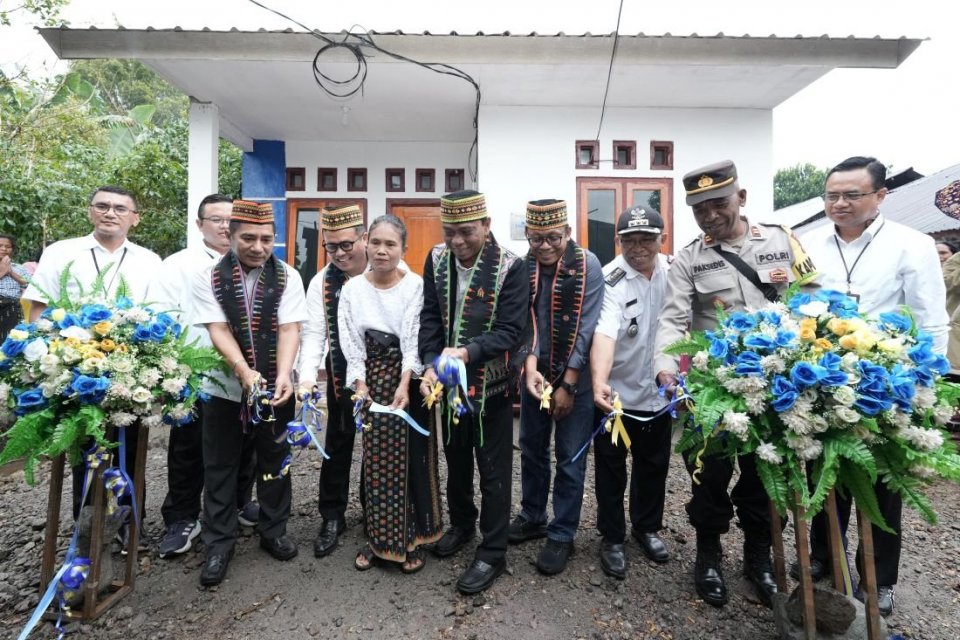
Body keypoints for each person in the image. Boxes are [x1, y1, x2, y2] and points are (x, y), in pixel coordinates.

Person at [654, 160, 817, 608]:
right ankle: (708, 555)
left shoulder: (782, 240)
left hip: (779, 384)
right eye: (699, 209)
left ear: (741, 198)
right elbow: (672, 318)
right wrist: (666, 366)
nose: (709, 216)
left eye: (718, 204)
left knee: (767, 475)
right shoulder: (689, 257)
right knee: (709, 474)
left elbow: (815, 299)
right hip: (716, 386)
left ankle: (758, 558)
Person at [798, 156, 949, 616]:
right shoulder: (808, 243)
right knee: (821, 474)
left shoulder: (913, 245)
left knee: (882, 481)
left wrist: (925, 387)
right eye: (832, 196)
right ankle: (826, 558)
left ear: (880, 196)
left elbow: (931, 320)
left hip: (888, 383)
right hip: (820, 380)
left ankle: (879, 578)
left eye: (851, 195)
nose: (839, 204)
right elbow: (798, 307)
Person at [23, 186, 162, 526]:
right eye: (102, 206)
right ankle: (85, 529)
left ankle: (129, 528)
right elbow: (37, 308)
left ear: (135, 218)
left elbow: (159, 315)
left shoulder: (149, 261)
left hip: (129, 370)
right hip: (74, 371)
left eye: (120, 208)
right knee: (83, 450)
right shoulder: (62, 252)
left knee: (129, 449)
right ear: (90, 211)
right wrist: (49, 356)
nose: (110, 213)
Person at [418, 190, 528, 595]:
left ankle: (493, 550)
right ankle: (463, 524)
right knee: (456, 460)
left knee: (494, 470)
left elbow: (511, 330)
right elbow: (430, 316)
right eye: (450, 233)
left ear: (486, 225)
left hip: (492, 387)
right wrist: (432, 361)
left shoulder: (511, 267)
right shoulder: (437, 259)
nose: (458, 242)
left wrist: (465, 353)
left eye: (466, 232)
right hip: (448, 385)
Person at [192, 200, 307, 586]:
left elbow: (290, 327)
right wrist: (242, 371)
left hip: (276, 387)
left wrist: (285, 373)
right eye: (248, 238)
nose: (258, 246)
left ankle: (273, 530)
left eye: (266, 239)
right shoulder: (208, 277)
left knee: (275, 458)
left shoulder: (288, 275)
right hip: (224, 388)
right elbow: (218, 329)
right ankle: (219, 544)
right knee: (220, 465)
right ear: (230, 235)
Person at [150, 194, 258, 559]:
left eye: (232, 219)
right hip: (194, 373)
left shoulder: (255, 262)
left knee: (246, 443)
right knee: (188, 448)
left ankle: (240, 503)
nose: (225, 226)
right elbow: (161, 317)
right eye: (216, 219)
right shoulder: (178, 265)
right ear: (199, 225)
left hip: (245, 372)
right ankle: (181, 516)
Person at [339, 215, 443, 574]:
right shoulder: (352, 289)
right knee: (379, 464)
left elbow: (414, 337)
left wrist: (404, 383)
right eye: (377, 243)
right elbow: (351, 342)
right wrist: (360, 385)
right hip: (370, 381)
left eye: (391, 245)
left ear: (404, 249)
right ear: (365, 241)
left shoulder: (415, 286)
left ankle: (412, 538)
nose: (382, 251)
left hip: (408, 380)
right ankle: (380, 540)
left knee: (412, 462)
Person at [508, 199, 603, 575]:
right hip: (535, 374)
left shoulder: (588, 265)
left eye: (552, 238)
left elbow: (587, 328)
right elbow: (521, 321)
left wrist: (568, 384)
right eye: (536, 239)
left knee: (570, 456)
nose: (544, 246)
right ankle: (533, 515)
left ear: (566, 232)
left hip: (574, 378)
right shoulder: (524, 267)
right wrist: (529, 367)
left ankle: (562, 532)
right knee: (531, 447)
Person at [591, 206, 672, 579]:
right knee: (610, 469)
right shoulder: (610, 280)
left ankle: (646, 528)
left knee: (653, 466)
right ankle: (612, 537)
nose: (638, 247)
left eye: (647, 239)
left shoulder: (675, 273)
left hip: (660, 395)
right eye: (629, 240)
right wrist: (599, 381)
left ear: (662, 239)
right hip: (617, 396)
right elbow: (605, 333)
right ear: (618, 242)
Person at [298, 203, 371, 559]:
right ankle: (332, 516)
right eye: (332, 247)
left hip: (383, 379)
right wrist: (307, 377)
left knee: (381, 449)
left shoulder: (390, 268)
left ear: (364, 239)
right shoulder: (321, 282)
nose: (340, 253)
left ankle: (376, 514)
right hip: (341, 376)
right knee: (338, 444)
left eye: (347, 244)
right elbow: (313, 334)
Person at [0, 233, 30, 338]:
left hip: (12, 309)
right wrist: (2, 271)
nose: (3, 249)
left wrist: (11, 272)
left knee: (8, 339)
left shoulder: (19, 268)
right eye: (0, 246)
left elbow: (30, 284)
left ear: (12, 249)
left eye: (7, 247)